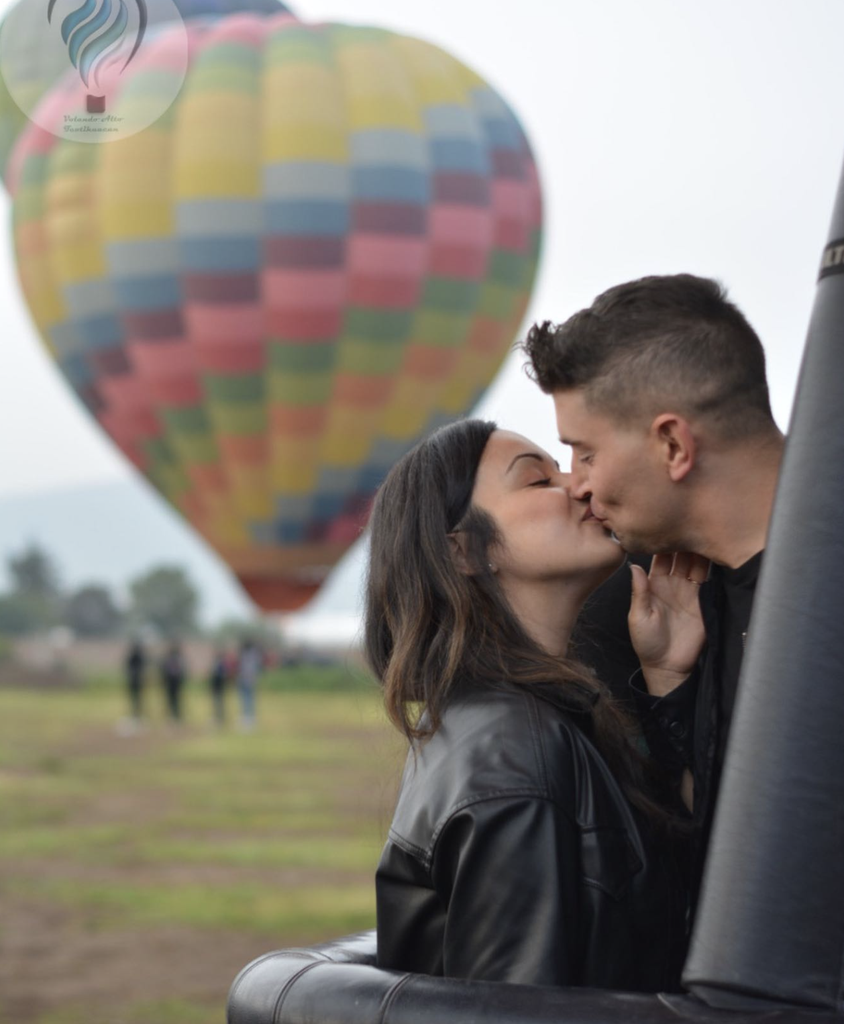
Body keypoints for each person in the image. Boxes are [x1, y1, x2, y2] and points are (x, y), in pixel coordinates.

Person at [365, 420, 706, 990]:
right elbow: (519, 1006)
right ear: (464, 550)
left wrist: (668, 682)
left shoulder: (514, 719)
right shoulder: (514, 753)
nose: (578, 484)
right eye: (537, 480)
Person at [523, 272, 785, 909]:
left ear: (673, 444)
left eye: (585, 452)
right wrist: (672, 690)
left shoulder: (814, 597)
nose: (575, 486)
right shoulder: (682, 600)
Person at [236, 639, 263, 731]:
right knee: (247, 700)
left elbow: (248, 669)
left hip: (247, 680)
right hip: (248, 680)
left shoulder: (248, 655)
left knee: (247, 700)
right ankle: (248, 719)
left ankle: (248, 720)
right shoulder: (253, 655)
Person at [160, 642, 187, 723]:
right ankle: (173, 715)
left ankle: (176, 715)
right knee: (172, 699)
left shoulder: (177, 659)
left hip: (175, 682)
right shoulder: (171, 659)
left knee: (175, 699)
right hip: (171, 682)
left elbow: (182, 671)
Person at [124, 639, 146, 724]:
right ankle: (136, 714)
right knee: (136, 699)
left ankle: (136, 714)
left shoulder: (135, 656)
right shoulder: (138, 657)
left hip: (135, 681)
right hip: (136, 681)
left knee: (136, 699)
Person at [208, 648, 231, 726]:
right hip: (216, 686)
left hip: (219, 686)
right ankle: (217, 717)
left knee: (219, 702)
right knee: (217, 702)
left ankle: (220, 718)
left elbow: (223, 676)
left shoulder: (221, 664)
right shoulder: (218, 664)